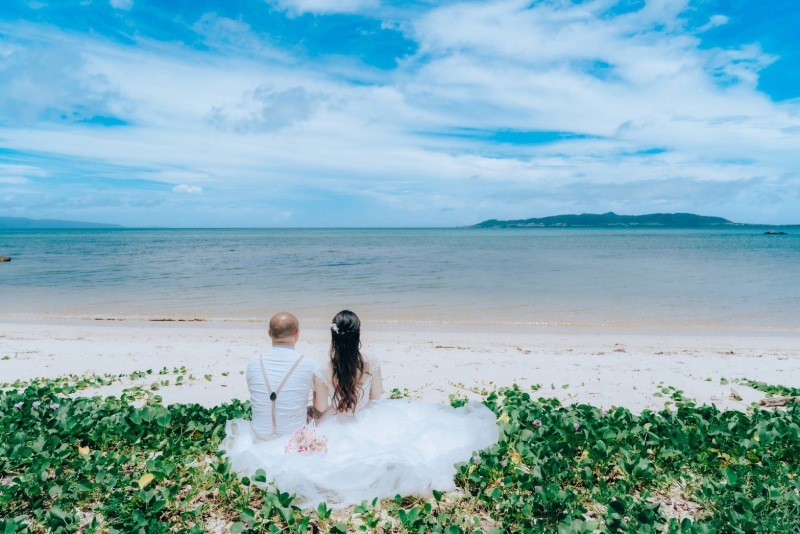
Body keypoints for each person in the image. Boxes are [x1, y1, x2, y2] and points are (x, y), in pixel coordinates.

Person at [222, 310, 498, 509]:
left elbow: (320, 406)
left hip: (332, 423)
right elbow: (377, 399)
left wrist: (314, 415)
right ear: (358, 335)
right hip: (367, 419)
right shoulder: (372, 361)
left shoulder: (320, 365)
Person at [221, 312, 328, 466]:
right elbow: (322, 407)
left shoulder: (253, 363)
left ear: (269, 333)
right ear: (297, 334)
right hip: (293, 437)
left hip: (259, 435)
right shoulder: (310, 365)